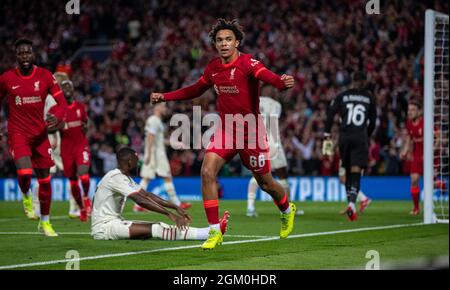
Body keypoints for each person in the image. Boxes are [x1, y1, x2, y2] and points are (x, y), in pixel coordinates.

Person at [151, 19, 297, 249]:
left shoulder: (248, 62)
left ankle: (287, 209)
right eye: (219, 40)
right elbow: (195, 89)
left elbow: (266, 75)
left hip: (251, 132)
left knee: (266, 183)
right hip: (226, 130)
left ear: (237, 42)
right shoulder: (213, 68)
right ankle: (214, 231)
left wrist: (280, 82)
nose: (223, 43)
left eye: (228, 39)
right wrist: (166, 96)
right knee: (207, 170)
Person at [0, 38, 68, 236]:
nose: (24, 57)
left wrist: (59, 116)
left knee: (45, 181)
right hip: (18, 133)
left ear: (33, 54)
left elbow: (62, 102)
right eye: (21, 53)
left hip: (40, 135)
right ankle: (26, 195)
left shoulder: (45, 76)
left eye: (27, 52)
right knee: (24, 173)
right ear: (16, 56)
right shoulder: (6, 78)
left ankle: (45, 222)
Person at [91, 147, 230, 241]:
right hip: (104, 228)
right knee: (157, 229)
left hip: (114, 223)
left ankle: (208, 232)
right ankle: (205, 234)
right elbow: (141, 201)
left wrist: (174, 207)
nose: (138, 163)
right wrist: (170, 214)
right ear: (129, 162)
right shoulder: (115, 177)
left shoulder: (122, 177)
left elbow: (148, 195)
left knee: (158, 225)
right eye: (135, 159)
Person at [322, 72, 376, 221]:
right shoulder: (369, 97)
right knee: (356, 170)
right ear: (364, 82)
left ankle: (352, 205)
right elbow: (373, 121)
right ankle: (352, 204)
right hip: (360, 137)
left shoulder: (343, 96)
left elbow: (330, 113)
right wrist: (367, 135)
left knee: (345, 170)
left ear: (352, 81)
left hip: (344, 137)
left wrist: (326, 134)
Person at [246, 92, 304, 217]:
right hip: (271, 141)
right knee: (282, 174)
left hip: (254, 141)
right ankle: (288, 207)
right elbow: (273, 123)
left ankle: (250, 207)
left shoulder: (252, 100)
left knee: (258, 173)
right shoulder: (275, 104)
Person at [134, 102, 191, 212]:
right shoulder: (153, 120)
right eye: (164, 106)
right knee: (166, 176)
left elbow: (158, 139)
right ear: (158, 107)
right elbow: (150, 137)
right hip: (156, 154)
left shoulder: (157, 121)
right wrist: (149, 154)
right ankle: (177, 203)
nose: (165, 108)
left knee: (147, 178)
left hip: (156, 152)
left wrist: (174, 143)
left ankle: (138, 205)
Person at [53, 76, 91, 221]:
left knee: (83, 175)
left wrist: (85, 127)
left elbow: (85, 125)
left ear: (73, 90)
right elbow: (48, 128)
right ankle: (81, 207)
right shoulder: (57, 109)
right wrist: (58, 126)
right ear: (61, 91)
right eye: (64, 87)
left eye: (69, 86)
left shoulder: (80, 107)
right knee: (73, 181)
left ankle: (86, 198)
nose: (67, 89)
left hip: (81, 145)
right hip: (66, 148)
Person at [400, 101, 423, 216]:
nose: (410, 112)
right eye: (409, 110)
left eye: (413, 109)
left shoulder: (425, 122)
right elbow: (409, 138)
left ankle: (442, 185)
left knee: (435, 183)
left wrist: (433, 149)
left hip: (429, 155)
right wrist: (405, 150)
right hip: (417, 155)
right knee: (414, 180)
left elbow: (437, 135)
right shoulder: (409, 123)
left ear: (419, 111)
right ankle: (416, 208)